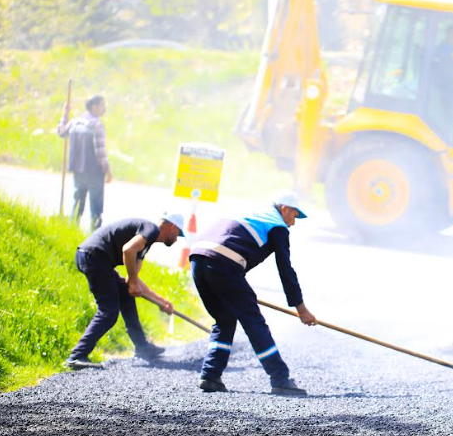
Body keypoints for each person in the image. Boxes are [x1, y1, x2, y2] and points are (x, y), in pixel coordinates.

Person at [190, 192, 318, 396]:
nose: (293, 223)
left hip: (197, 257)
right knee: (253, 321)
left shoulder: (253, 214)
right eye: (294, 216)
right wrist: (301, 309)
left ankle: (210, 375)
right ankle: (280, 378)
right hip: (224, 262)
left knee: (224, 319)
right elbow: (286, 270)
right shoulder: (277, 226)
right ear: (284, 208)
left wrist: (235, 288)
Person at [64, 214, 184, 369]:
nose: (176, 239)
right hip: (93, 257)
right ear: (172, 227)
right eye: (178, 234)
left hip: (95, 259)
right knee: (108, 312)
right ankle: (77, 356)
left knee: (125, 294)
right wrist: (133, 281)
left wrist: (160, 301)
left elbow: (132, 281)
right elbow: (127, 250)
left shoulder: (145, 242)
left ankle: (142, 347)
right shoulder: (151, 229)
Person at [57, 95, 113, 230]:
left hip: (78, 170)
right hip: (94, 172)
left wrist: (65, 115)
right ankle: (94, 236)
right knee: (96, 208)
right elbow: (101, 152)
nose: (103, 109)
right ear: (93, 106)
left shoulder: (75, 122)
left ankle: (70, 230)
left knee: (77, 203)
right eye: (101, 105)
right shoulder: (97, 125)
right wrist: (107, 171)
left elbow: (61, 132)